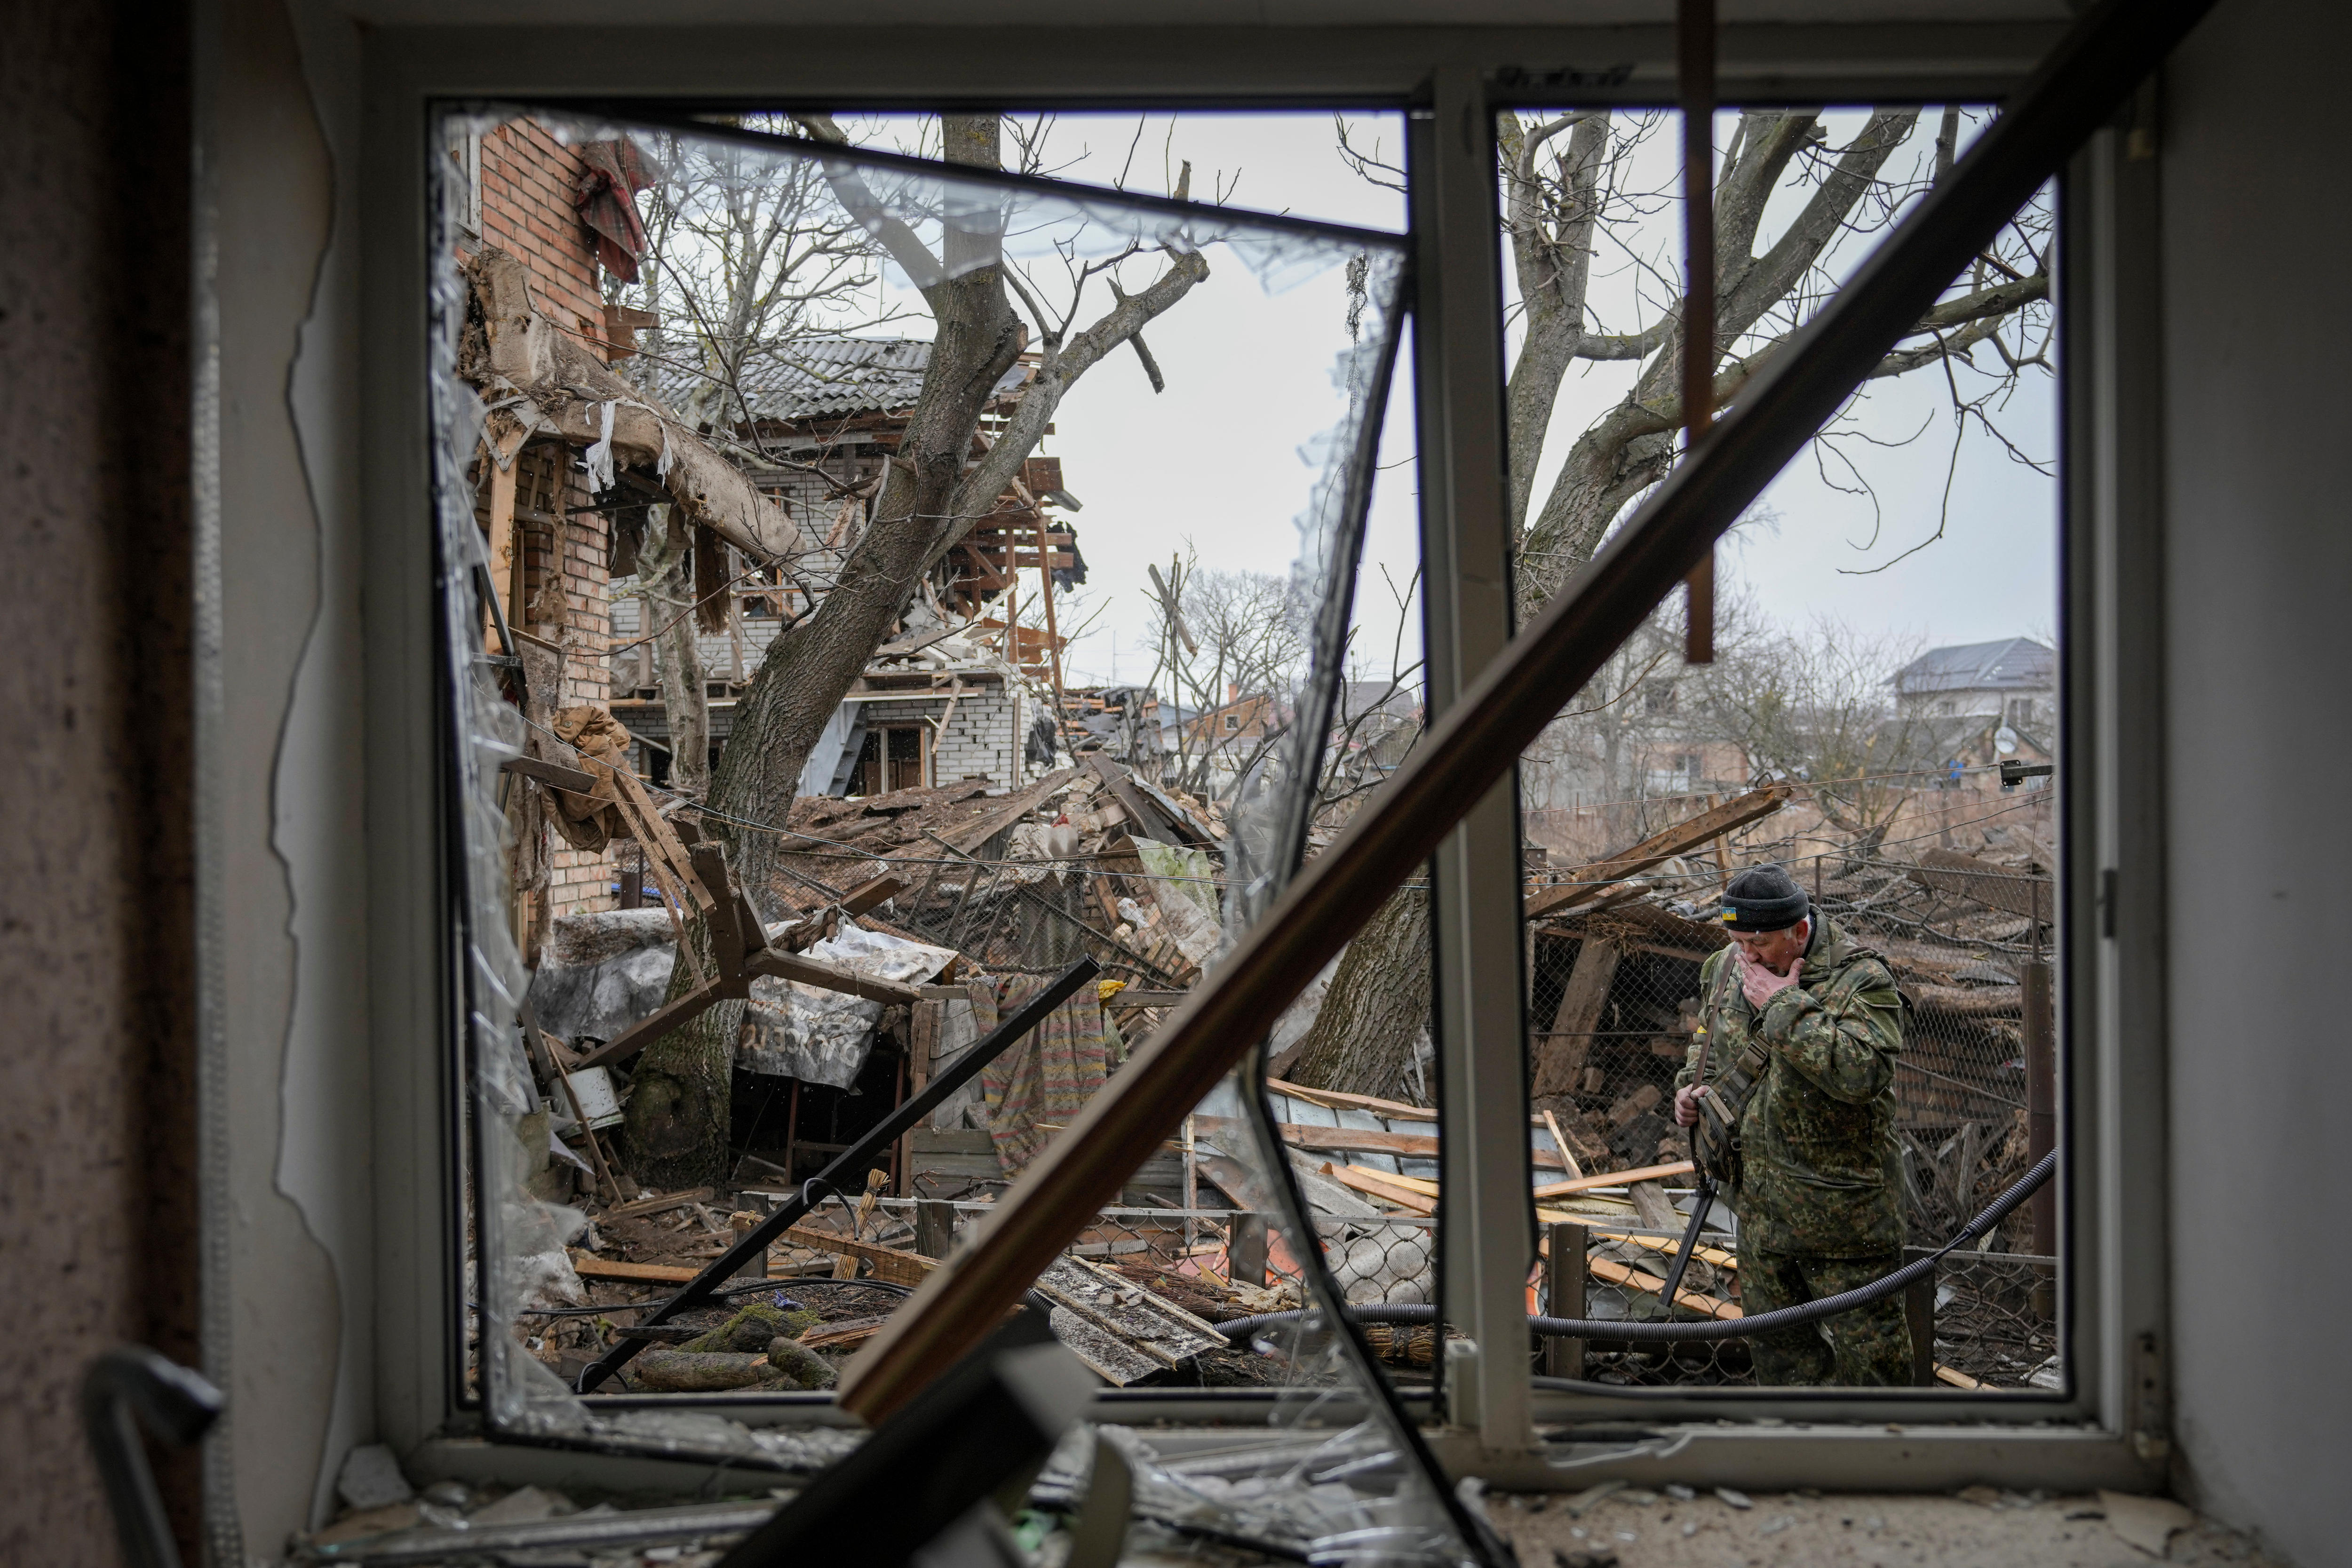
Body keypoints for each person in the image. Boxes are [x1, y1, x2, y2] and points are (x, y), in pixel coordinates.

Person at [1673, 863, 1912, 1385]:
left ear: (1799, 932)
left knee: (1873, 1365)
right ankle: (1797, 1455)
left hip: (1841, 1217)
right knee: (1781, 1362)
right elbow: (1706, 1045)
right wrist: (1689, 1092)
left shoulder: (1861, 978)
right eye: (1736, 941)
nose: (1746, 957)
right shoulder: (1724, 967)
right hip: (1758, 1211)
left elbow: (1861, 1073)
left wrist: (1781, 1004)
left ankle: (1881, 1461)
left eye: (1757, 944)